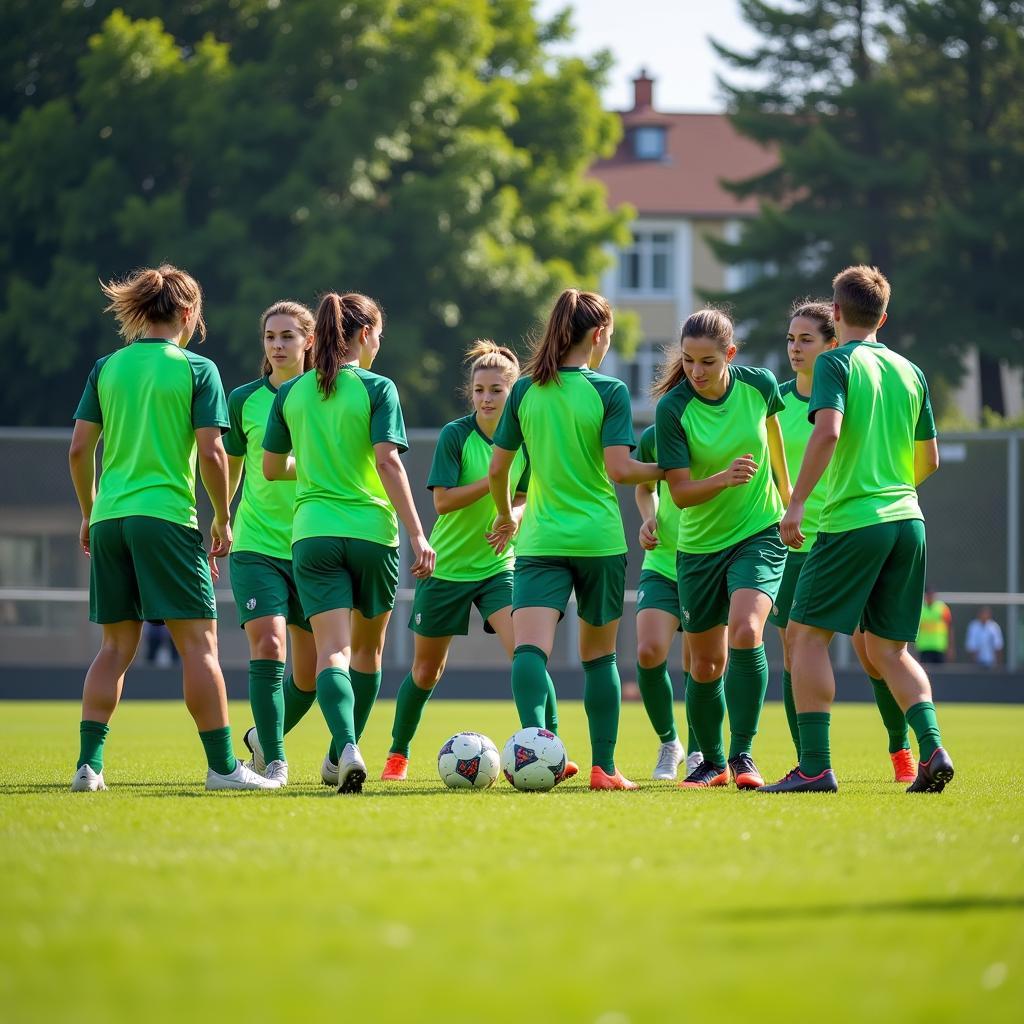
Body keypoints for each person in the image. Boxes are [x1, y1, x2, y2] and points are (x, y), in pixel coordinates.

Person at [67, 264, 276, 791]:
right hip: (166, 520)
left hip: (111, 518)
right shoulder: (197, 370)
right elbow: (212, 450)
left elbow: (78, 449)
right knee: (199, 647)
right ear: (188, 313)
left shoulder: (106, 367)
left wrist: (91, 513)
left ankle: (88, 768)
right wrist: (223, 515)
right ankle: (225, 768)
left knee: (114, 648)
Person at [764, 264, 954, 794]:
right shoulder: (911, 371)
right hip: (908, 521)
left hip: (851, 522)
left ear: (838, 314)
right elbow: (931, 459)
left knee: (804, 638)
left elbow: (827, 432)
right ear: (884, 318)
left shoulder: (836, 363)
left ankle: (815, 767)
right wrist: (894, 491)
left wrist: (797, 503)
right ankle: (932, 747)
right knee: (889, 651)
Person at [489, 288, 662, 791]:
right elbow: (621, 469)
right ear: (599, 334)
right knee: (600, 659)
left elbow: (500, 467)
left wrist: (505, 514)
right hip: (600, 542)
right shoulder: (608, 392)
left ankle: (534, 748)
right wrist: (671, 470)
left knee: (529, 652)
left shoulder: (523, 390)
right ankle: (603, 770)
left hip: (541, 540)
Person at [263, 291, 435, 794]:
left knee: (330, 653)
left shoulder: (290, 393)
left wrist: (315, 467)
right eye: (379, 333)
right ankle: (345, 747)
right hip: (372, 534)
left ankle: (346, 748)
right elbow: (387, 462)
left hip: (313, 533)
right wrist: (418, 532)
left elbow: (272, 468)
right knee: (368, 652)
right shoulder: (378, 388)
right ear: (365, 335)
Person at [380, 341, 576, 781]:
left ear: (513, 393)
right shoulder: (456, 435)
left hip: (499, 567)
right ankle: (398, 753)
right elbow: (445, 502)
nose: (486, 398)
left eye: (496, 390)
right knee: (426, 671)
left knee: (528, 652)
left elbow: (526, 496)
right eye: (479, 389)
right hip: (445, 568)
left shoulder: (526, 435)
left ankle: (549, 746)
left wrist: (514, 517)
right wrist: (495, 484)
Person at [771, 300, 916, 783]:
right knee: (795, 648)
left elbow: (834, 439)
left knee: (870, 650)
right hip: (796, 540)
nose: (795, 348)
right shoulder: (776, 402)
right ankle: (806, 758)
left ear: (832, 341)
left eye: (806, 339)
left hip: (847, 530)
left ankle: (900, 750)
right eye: (790, 339)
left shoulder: (848, 376)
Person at [655, 308, 791, 791]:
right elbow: (681, 493)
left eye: (708, 362)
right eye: (689, 360)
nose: (696, 371)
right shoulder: (673, 409)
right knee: (704, 663)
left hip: (758, 532)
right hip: (698, 549)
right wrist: (723, 477)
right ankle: (710, 762)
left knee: (748, 630)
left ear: (730, 355)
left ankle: (743, 756)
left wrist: (790, 503)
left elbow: (775, 446)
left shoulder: (761, 387)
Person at [221, 301, 320, 788]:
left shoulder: (326, 397)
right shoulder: (243, 399)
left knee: (311, 677)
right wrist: (222, 515)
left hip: (311, 545)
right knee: (269, 642)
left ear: (309, 342)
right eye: (270, 337)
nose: (278, 345)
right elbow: (233, 463)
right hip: (256, 545)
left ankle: (262, 737)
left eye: (287, 336)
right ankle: (276, 761)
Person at [634, 423, 703, 780]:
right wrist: (649, 518)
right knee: (648, 650)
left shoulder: (722, 424)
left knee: (699, 663)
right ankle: (669, 742)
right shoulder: (654, 436)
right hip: (661, 562)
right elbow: (645, 489)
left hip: (706, 560)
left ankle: (698, 750)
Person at [916, 586, 955, 664]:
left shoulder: (942, 608)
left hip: (939, 647)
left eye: (932, 595)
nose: (930, 597)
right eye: (929, 595)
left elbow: (949, 628)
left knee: (939, 674)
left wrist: (951, 647)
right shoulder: (920, 608)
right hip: (924, 647)